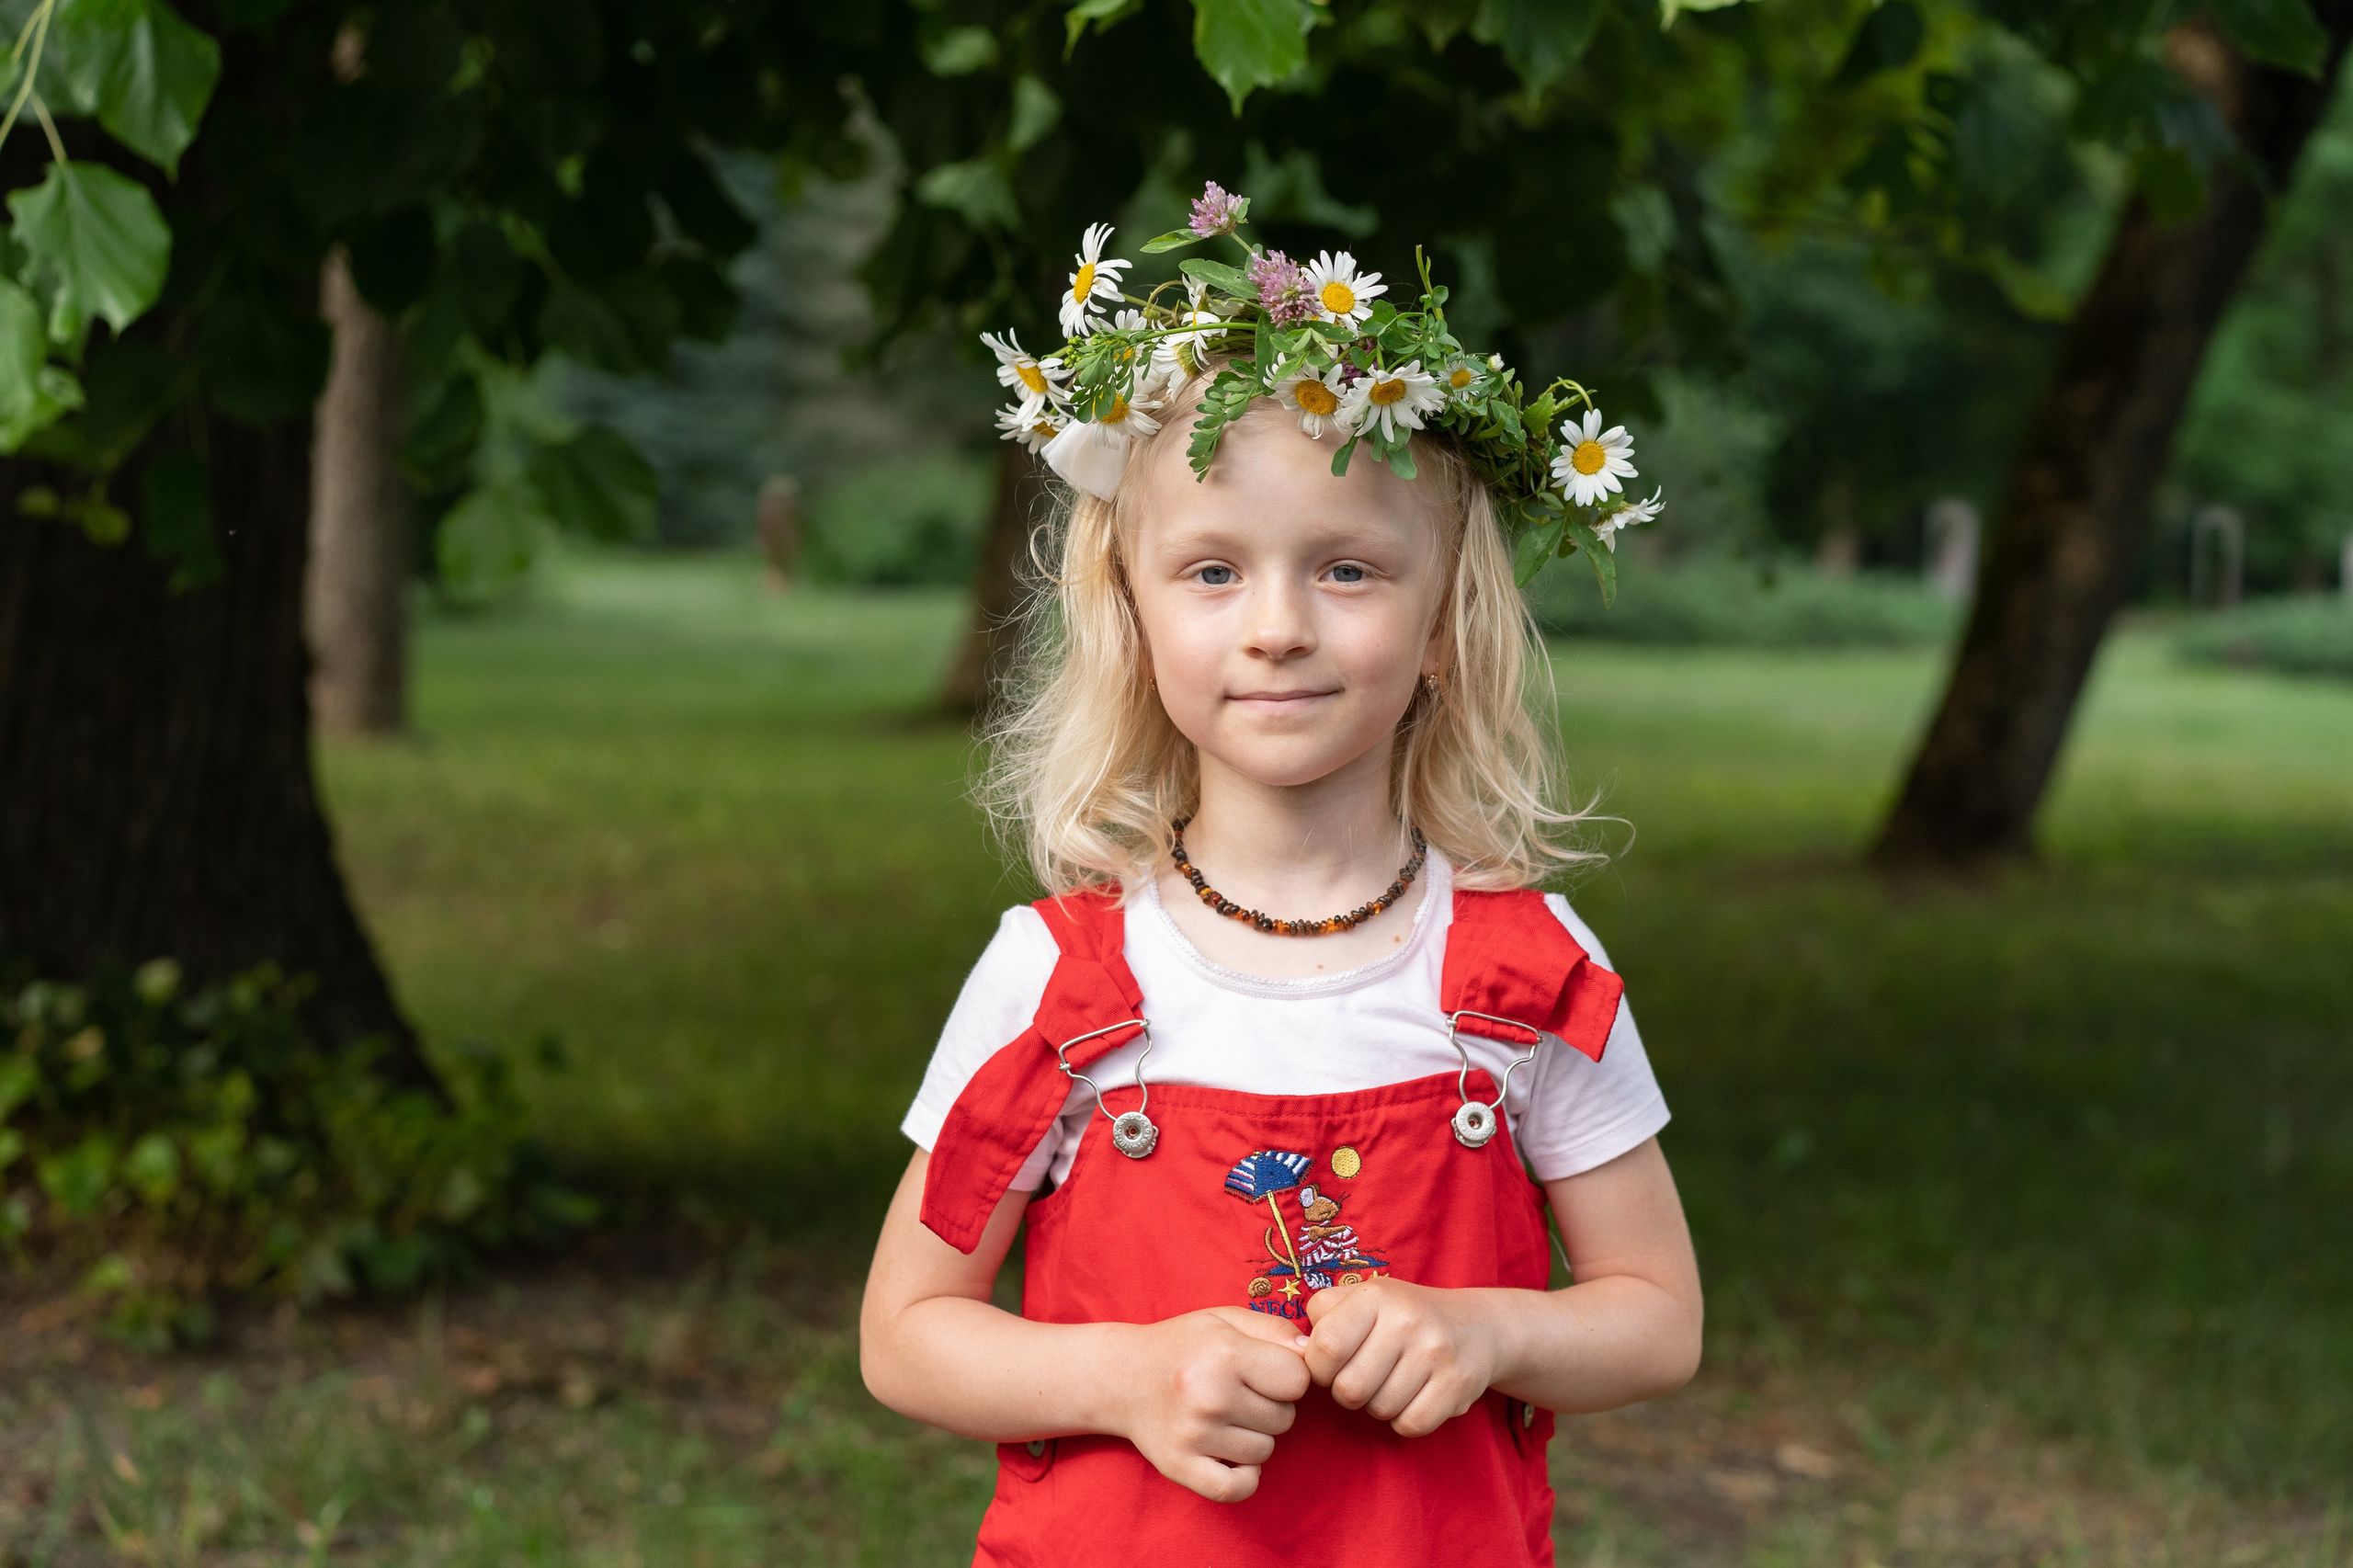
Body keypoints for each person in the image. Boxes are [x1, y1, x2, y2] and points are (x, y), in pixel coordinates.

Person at [860, 197, 1697, 1565]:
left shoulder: (1526, 969)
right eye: (1210, 569)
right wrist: (1125, 1377)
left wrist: (1492, 1328)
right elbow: (905, 1327)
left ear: (1442, 624)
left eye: (1349, 567)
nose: (1278, 626)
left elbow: (1658, 1312)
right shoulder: (1058, 981)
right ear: (1130, 616)